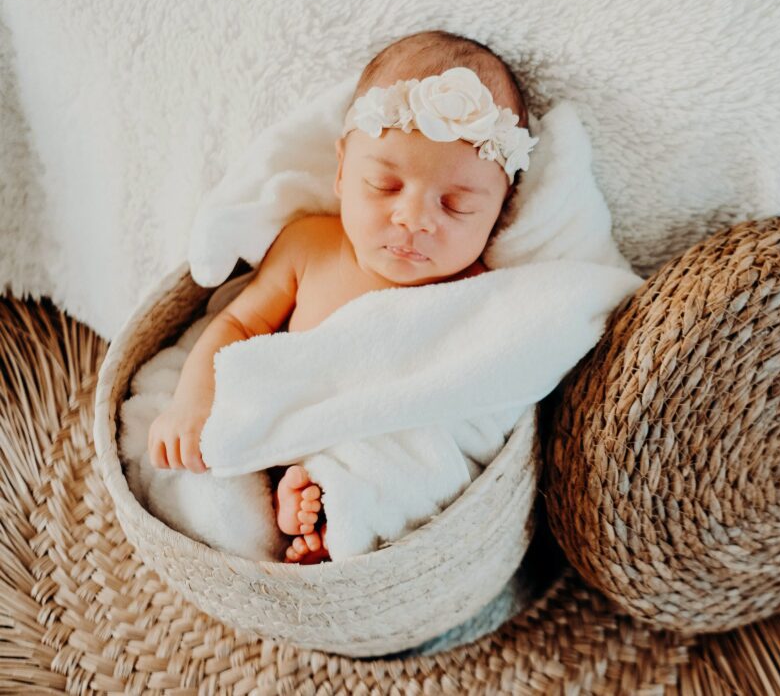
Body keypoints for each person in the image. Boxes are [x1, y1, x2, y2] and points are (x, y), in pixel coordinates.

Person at [146, 29, 538, 564]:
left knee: (408, 468)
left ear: (499, 209)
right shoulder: (310, 244)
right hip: (290, 421)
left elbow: (478, 394)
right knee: (226, 452)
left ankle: (336, 513)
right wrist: (193, 402)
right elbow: (238, 326)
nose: (413, 220)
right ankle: (296, 491)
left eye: (456, 206)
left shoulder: (477, 288)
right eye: (385, 186)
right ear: (341, 171)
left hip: (385, 441)